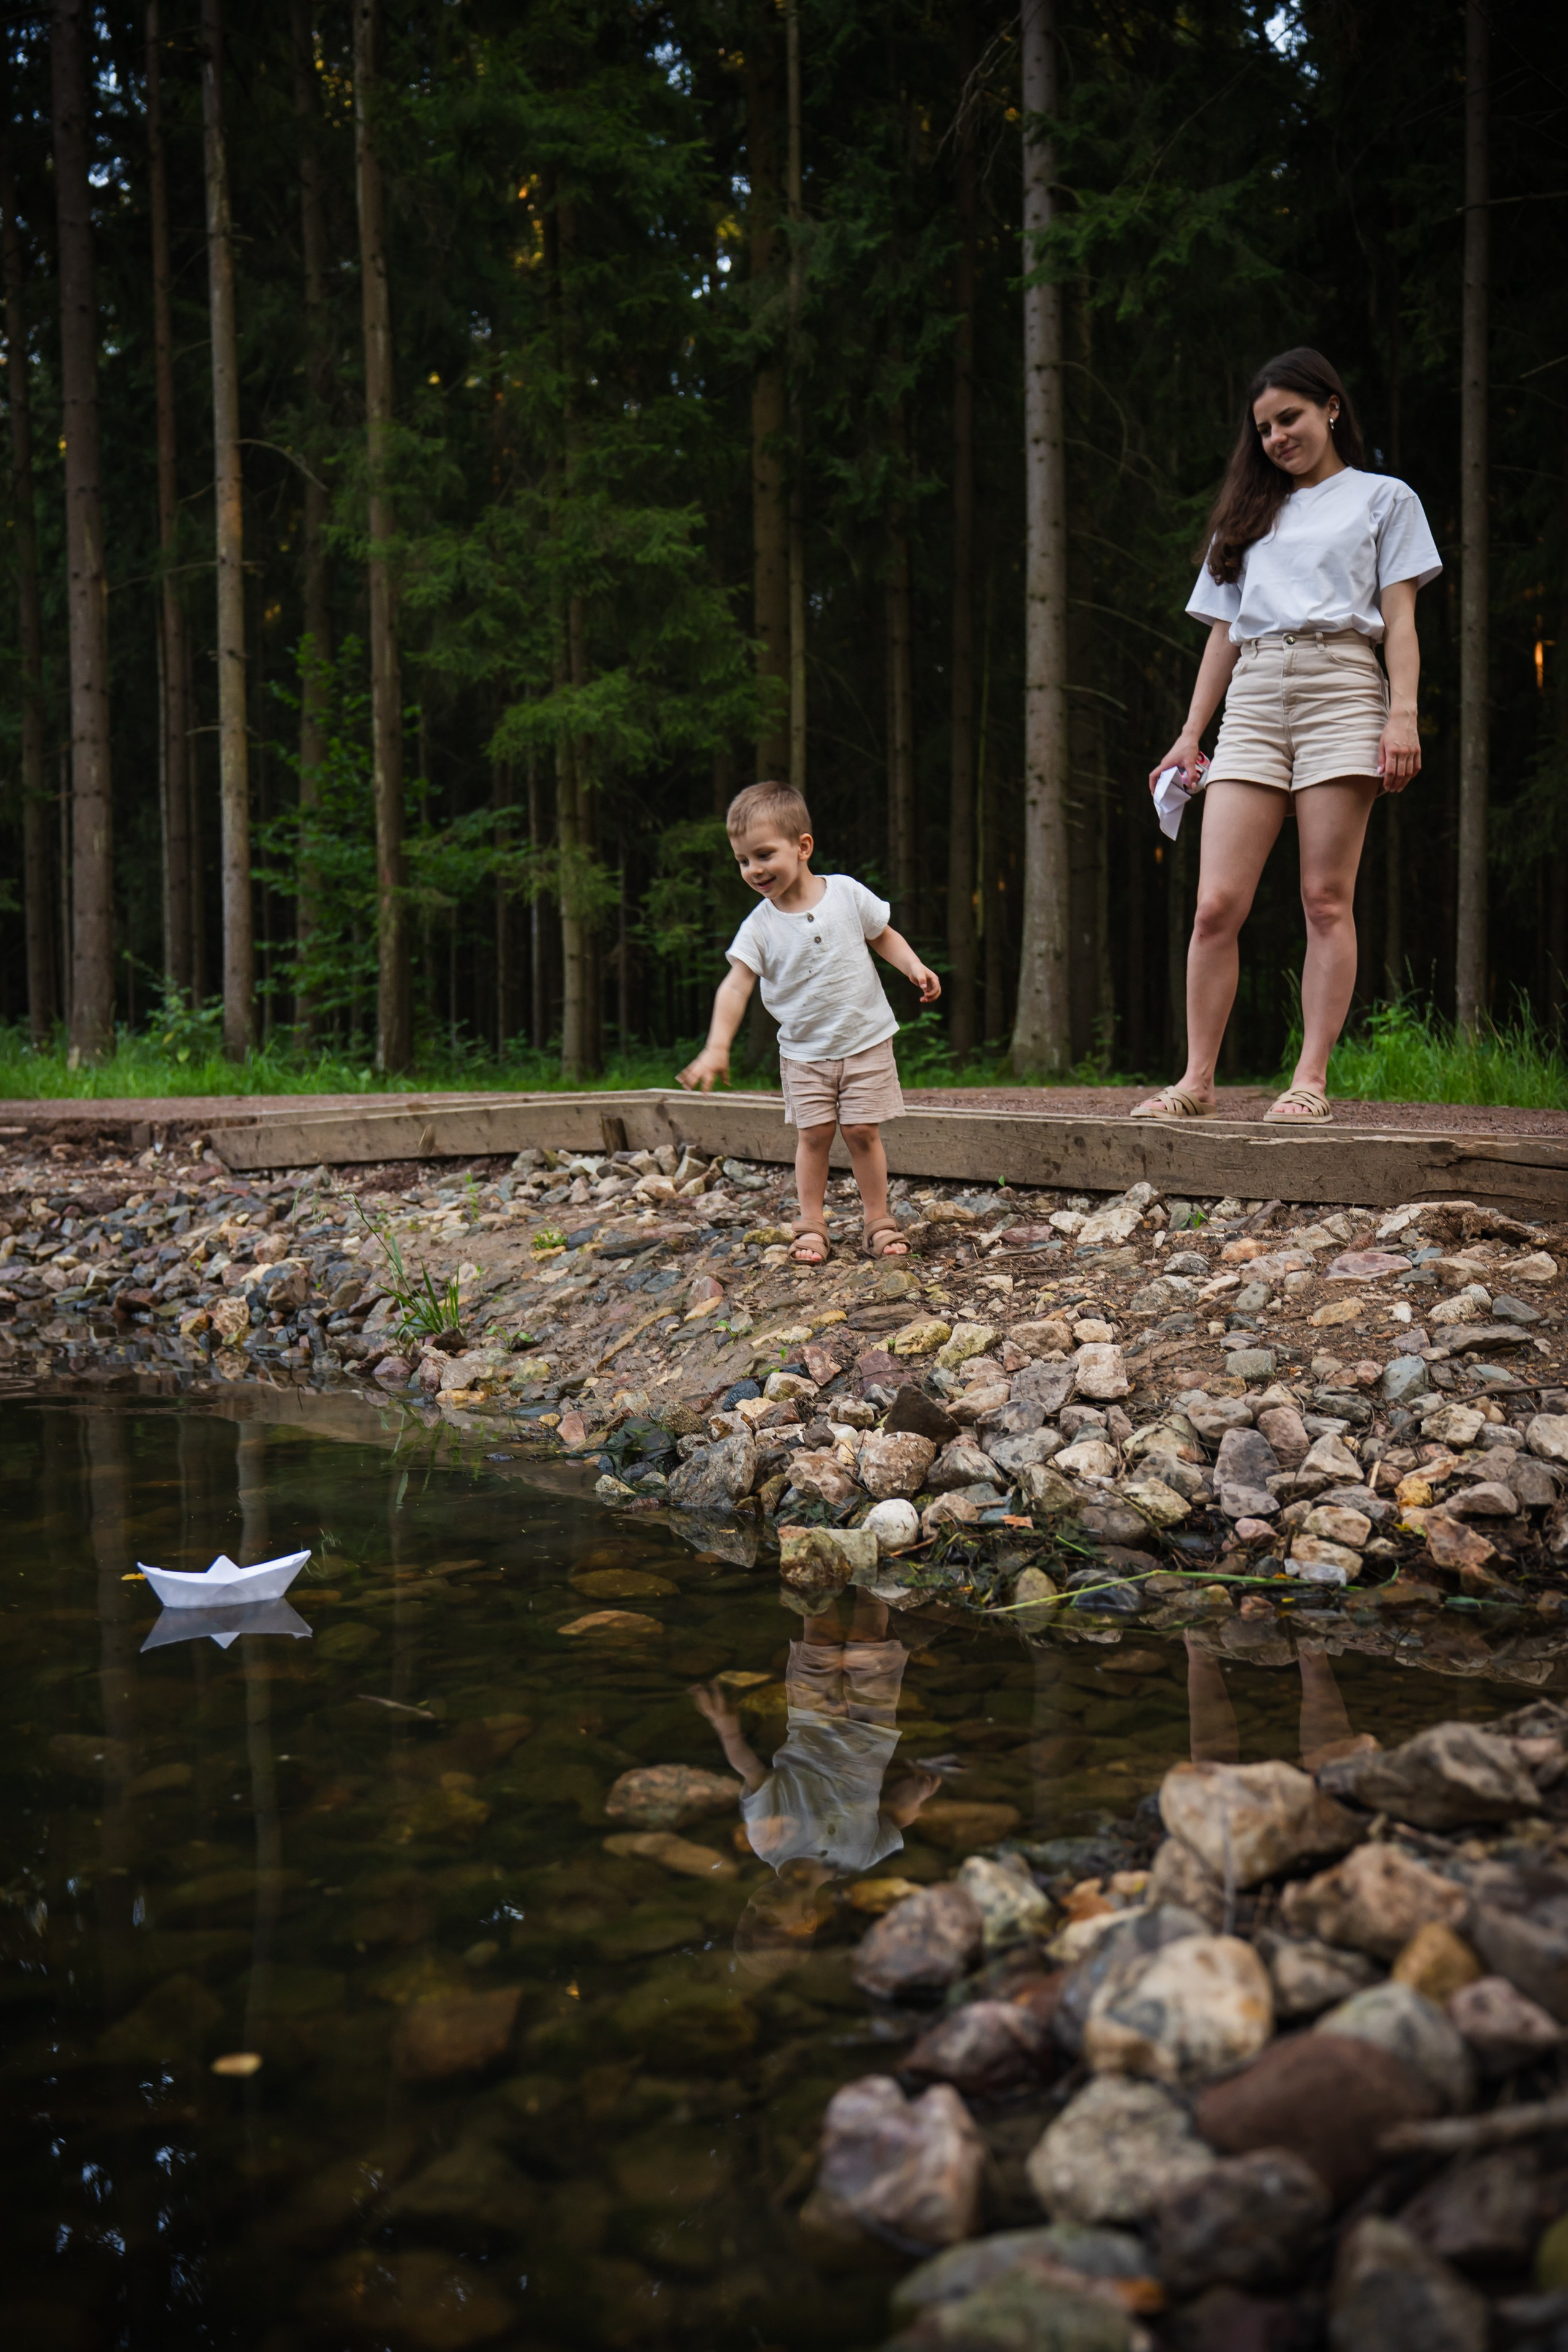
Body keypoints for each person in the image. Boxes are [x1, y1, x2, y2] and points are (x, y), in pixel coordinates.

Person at [1136, 347, 1442, 1126]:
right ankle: (1195, 1081)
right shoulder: (1246, 514)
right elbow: (1223, 633)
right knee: (1215, 905)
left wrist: (1402, 713)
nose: (1276, 437)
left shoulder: (1384, 498)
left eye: (1290, 418)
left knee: (1324, 898)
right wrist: (1189, 734)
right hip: (1254, 695)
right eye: (1264, 428)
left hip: (1343, 686)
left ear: (1331, 408)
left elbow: (1401, 618)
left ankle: (1309, 1081)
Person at [677, 781, 941, 1264]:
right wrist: (717, 1046)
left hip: (865, 1040)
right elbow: (735, 986)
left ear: (803, 847)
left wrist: (913, 966)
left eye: (764, 855)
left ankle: (878, 1221)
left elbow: (882, 934)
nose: (754, 870)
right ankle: (812, 1226)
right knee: (814, 1136)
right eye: (743, 861)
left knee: (862, 1132)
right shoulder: (759, 927)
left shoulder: (845, 893)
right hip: (804, 1054)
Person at [690, 1589, 940, 1975]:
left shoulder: (766, 1841)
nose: (759, 1905)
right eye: (768, 1920)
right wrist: (915, 1797)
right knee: (871, 1638)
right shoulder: (858, 1860)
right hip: (872, 1727)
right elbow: (895, 1819)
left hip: (810, 1717)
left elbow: (753, 1773)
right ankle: (872, 1575)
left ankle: (818, 1574)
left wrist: (727, 1731)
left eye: (749, 1911)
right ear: (808, 1921)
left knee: (818, 1637)